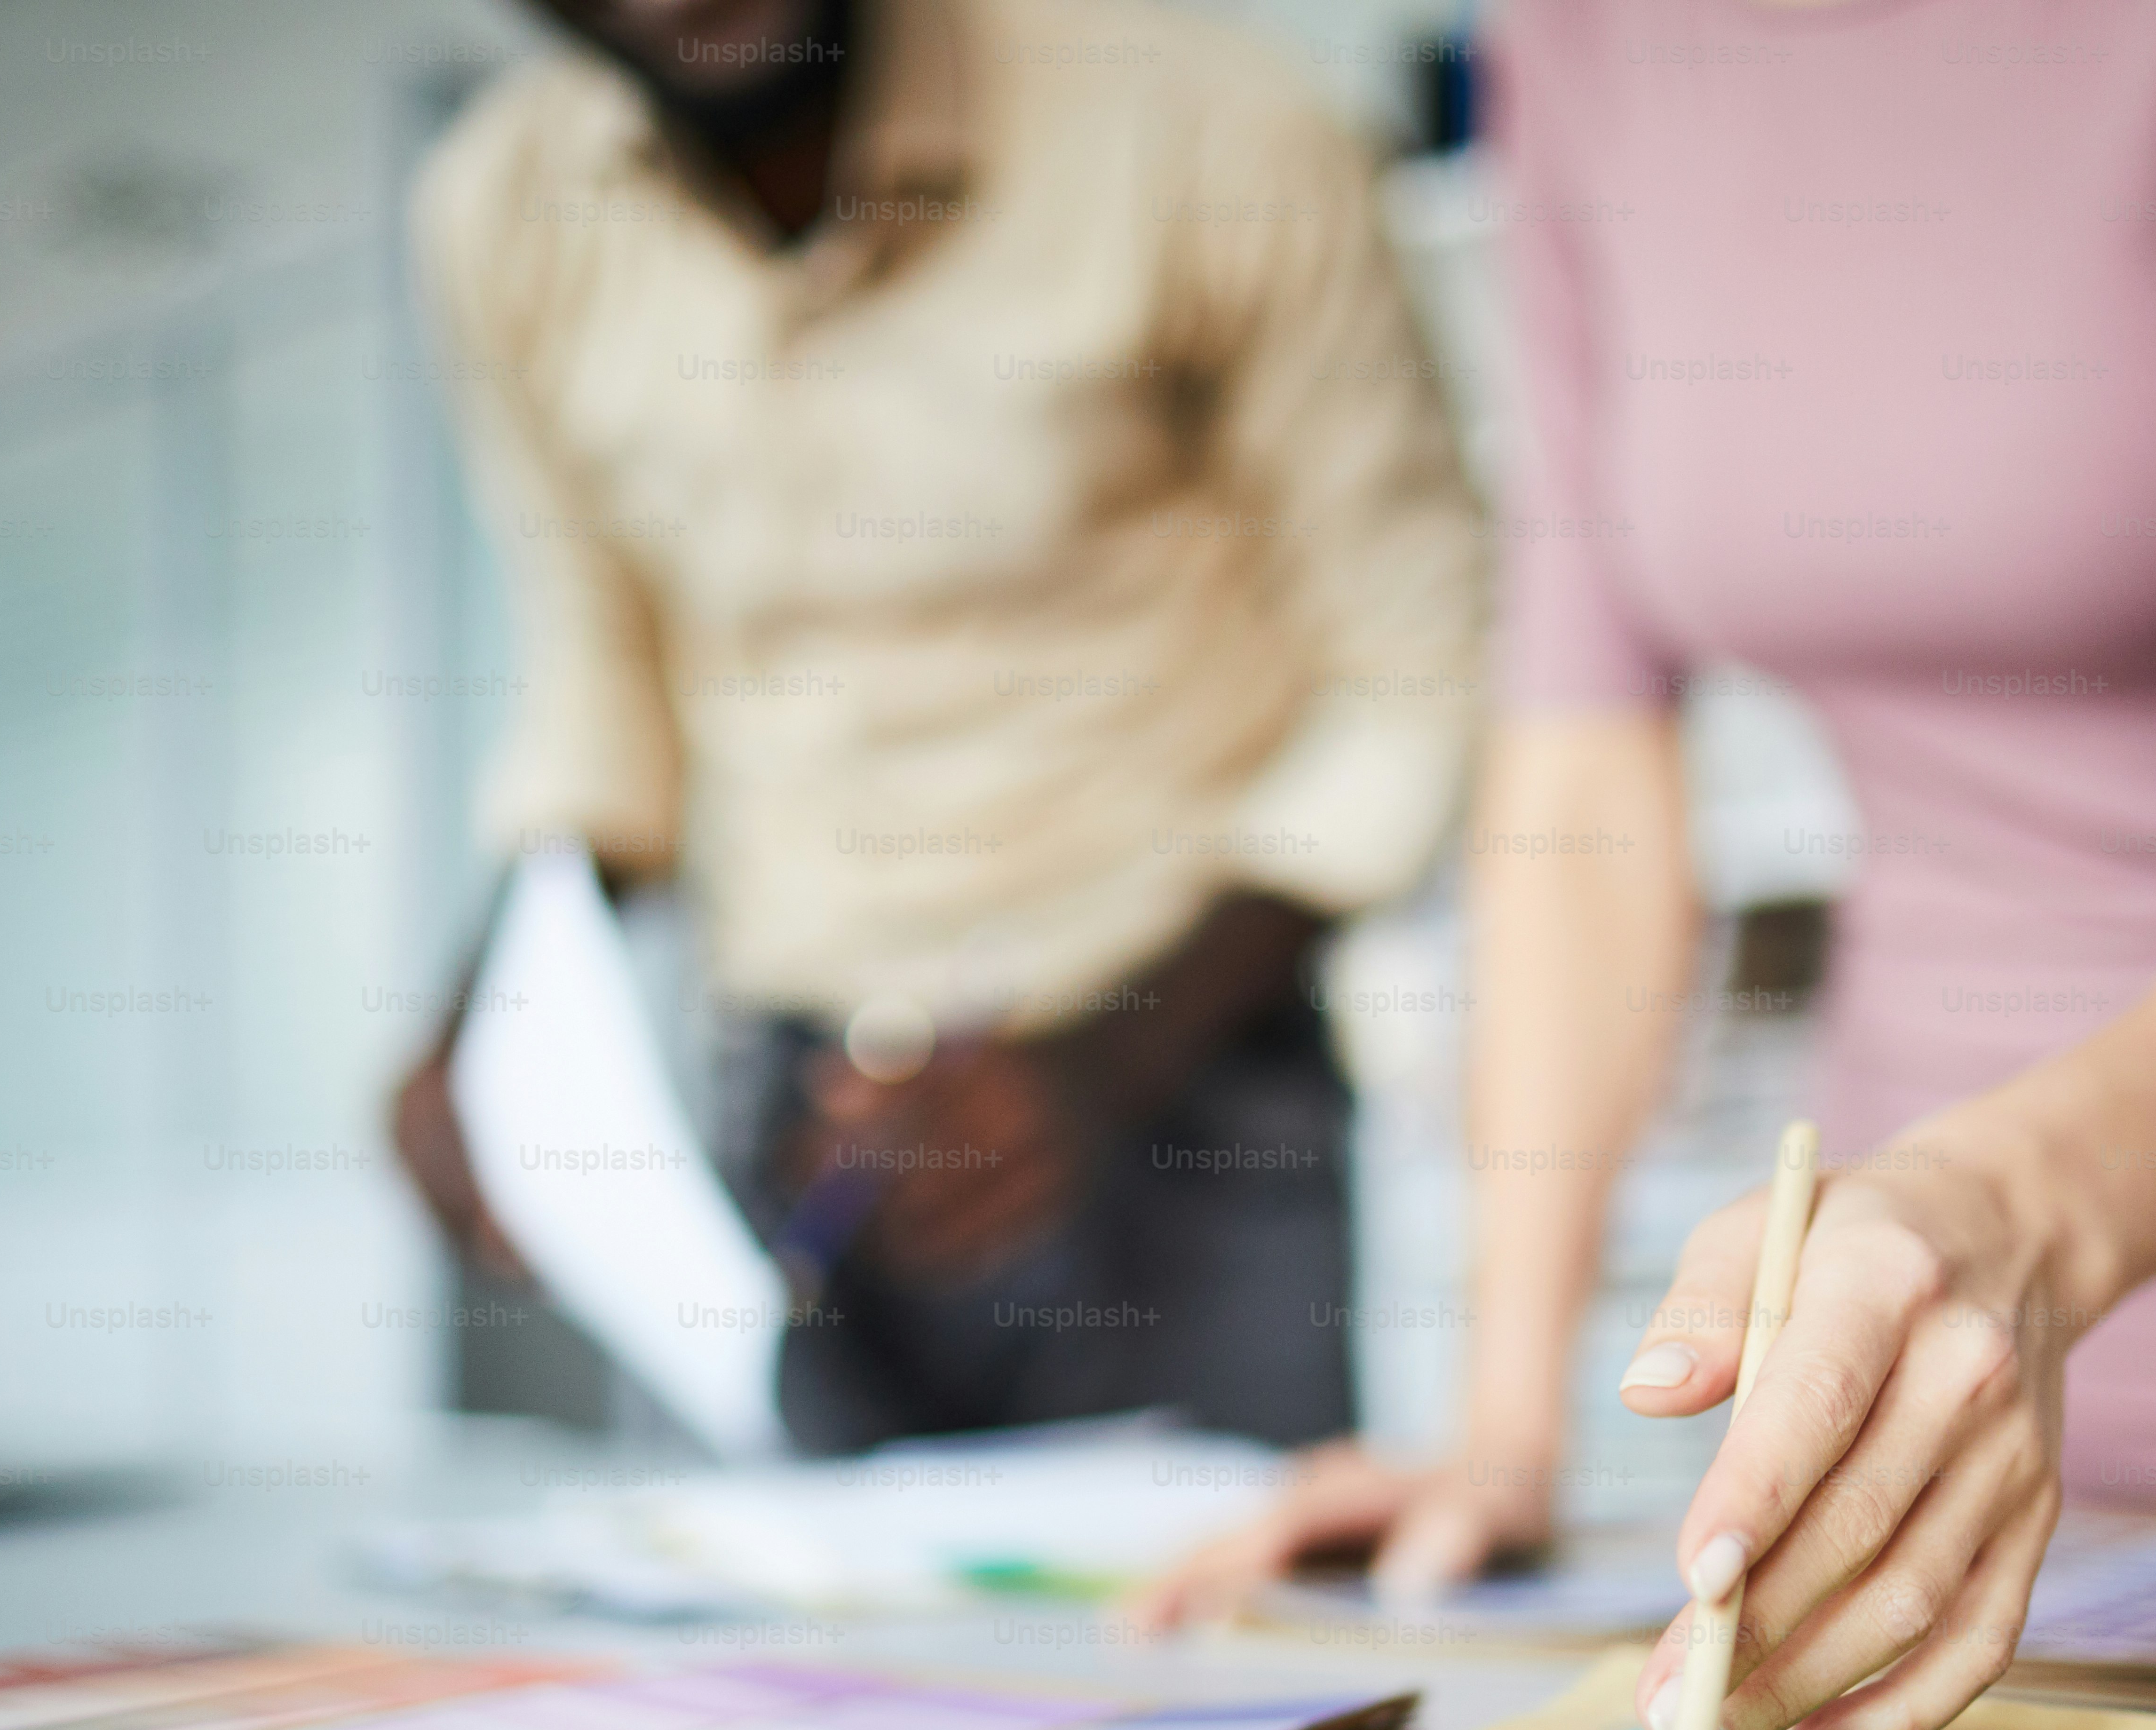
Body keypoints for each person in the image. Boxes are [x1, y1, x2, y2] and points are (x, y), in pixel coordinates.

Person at [1143, 0, 2156, 1730]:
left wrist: (2008, 1218)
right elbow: (1585, 768)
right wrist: (1505, 1431)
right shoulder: (1576, 34)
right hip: (1891, 1417)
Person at [388, 0, 1482, 1453]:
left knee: (1233, 1653)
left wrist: (1109, 1062)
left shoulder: (1210, 123)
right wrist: (492, 1025)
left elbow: (1416, 654)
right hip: (796, 1118)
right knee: (814, 1663)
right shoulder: (498, 218)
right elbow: (603, 672)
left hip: (1182, 1072)